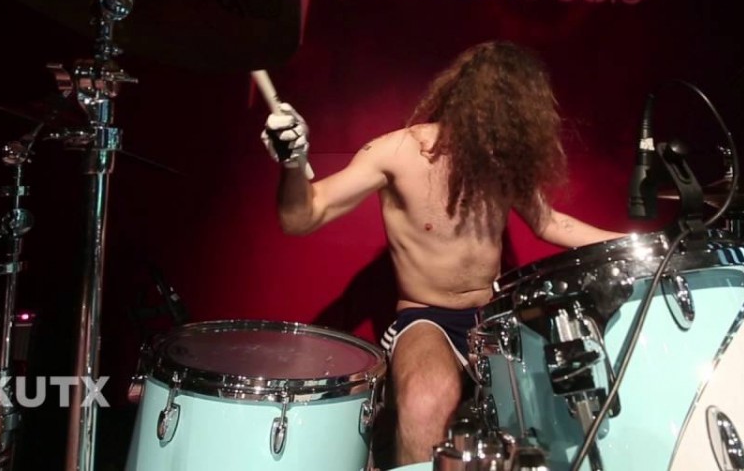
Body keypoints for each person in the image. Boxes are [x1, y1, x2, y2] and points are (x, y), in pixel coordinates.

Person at [261, 41, 625, 467]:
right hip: (427, 318)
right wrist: (293, 164)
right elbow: (303, 216)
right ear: (469, 106)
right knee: (426, 401)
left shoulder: (500, 159)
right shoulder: (396, 153)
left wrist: (644, 244)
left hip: (493, 319)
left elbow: (551, 223)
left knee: (557, 406)